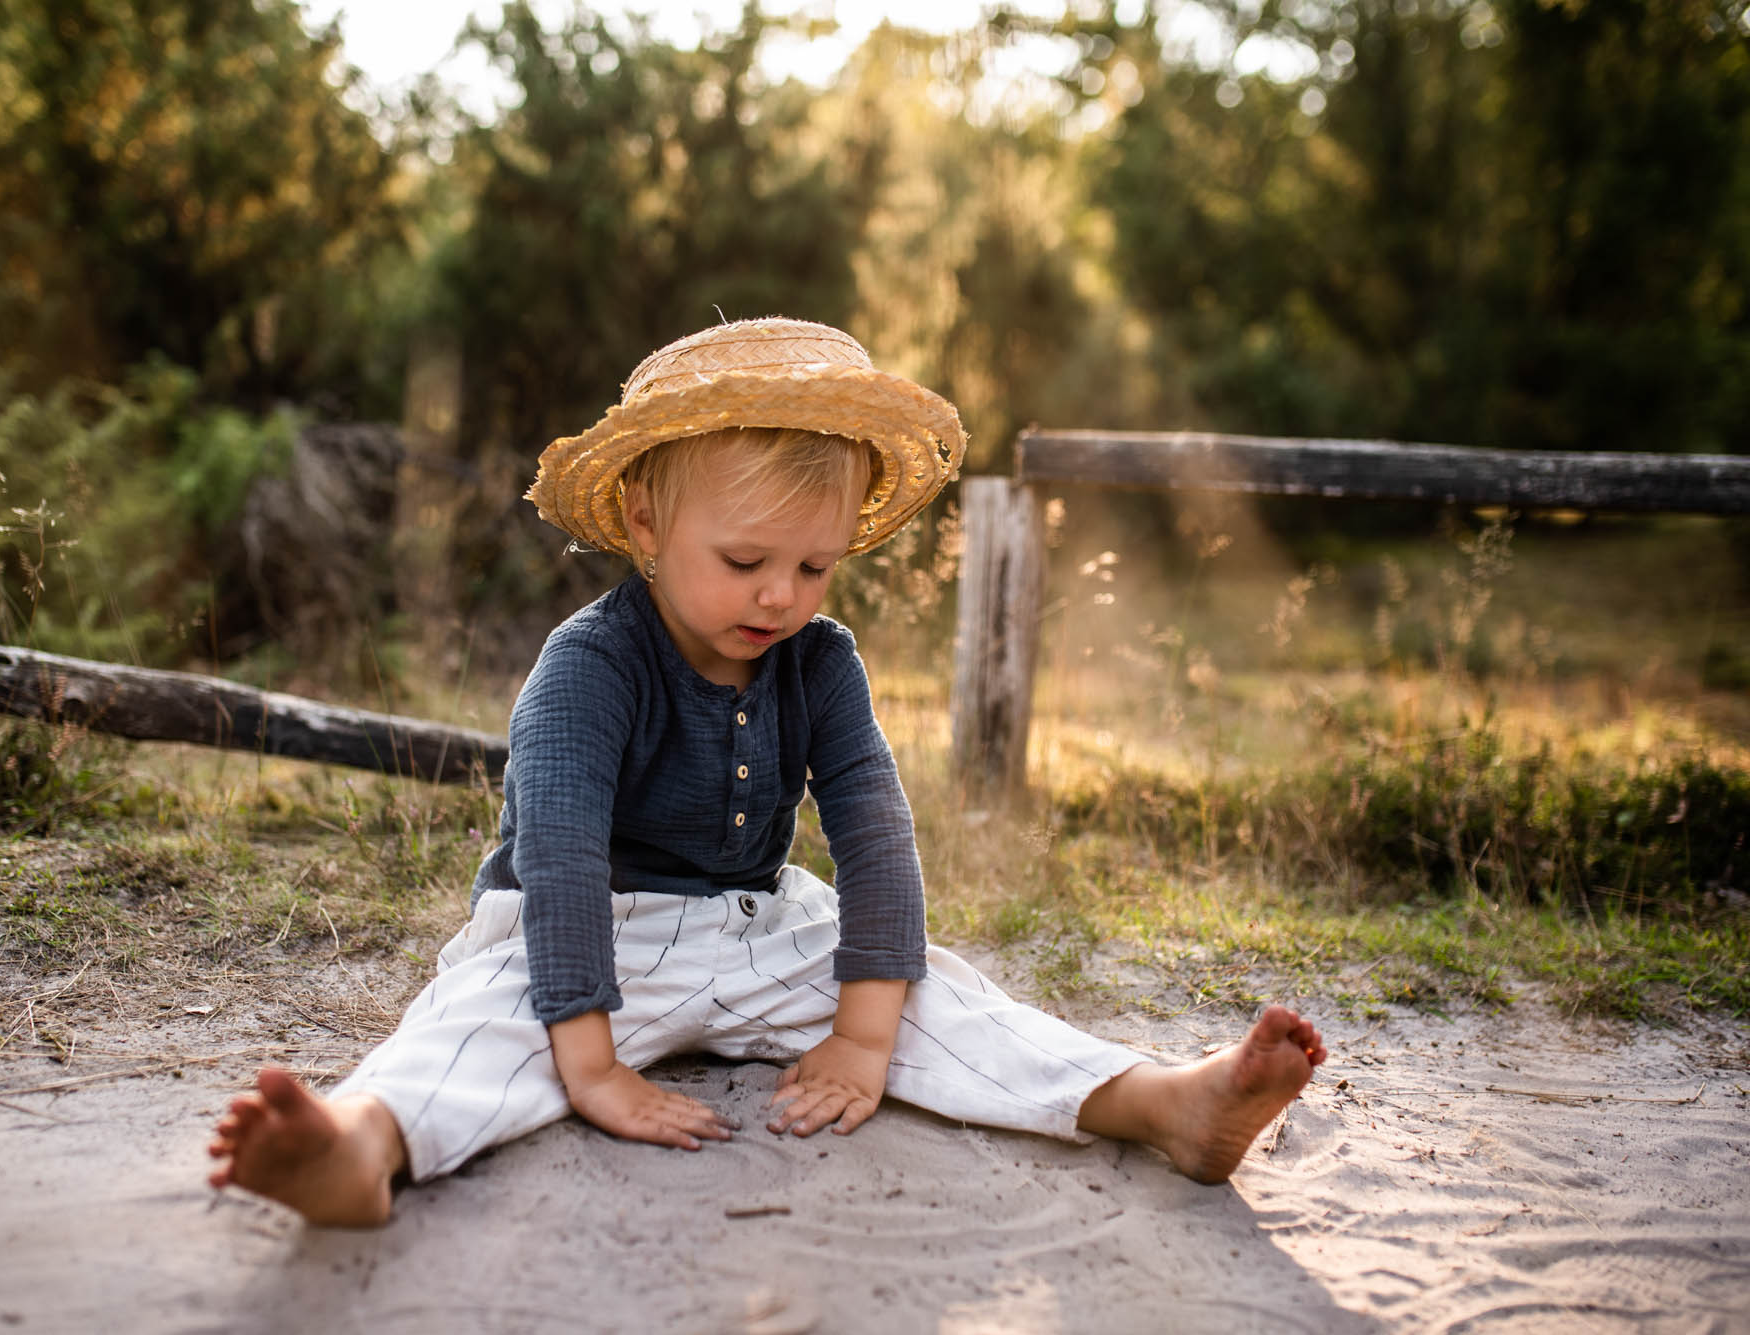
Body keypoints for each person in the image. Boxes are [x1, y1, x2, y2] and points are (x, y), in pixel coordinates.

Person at [206, 318, 1328, 1227]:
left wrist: (862, 1034)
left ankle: (1162, 1105)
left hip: (759, 926)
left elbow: (877, 838)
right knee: (476, 1028)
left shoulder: (820, 663)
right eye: (744, 562)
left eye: (812, 565)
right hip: (585, 929)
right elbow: (553, 861)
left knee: (946, 997)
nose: (780, 595)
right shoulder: (586, 667)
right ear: (645, 522)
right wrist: (591, 1067)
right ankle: (358, 1147)